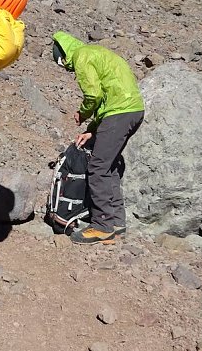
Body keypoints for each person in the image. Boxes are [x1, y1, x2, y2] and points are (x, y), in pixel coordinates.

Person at [51, 32, 145, 245]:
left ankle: (102, 226)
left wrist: (82, 113)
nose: (66, 67)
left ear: (64, 55)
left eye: (62, 62)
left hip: (119, 113)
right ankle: (117, 223)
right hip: (132, 111)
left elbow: (93, 95)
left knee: (98, 168)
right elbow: (107, 100)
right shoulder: (97, 52)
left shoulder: (82, 56)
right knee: (109, 166)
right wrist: (92, 129)